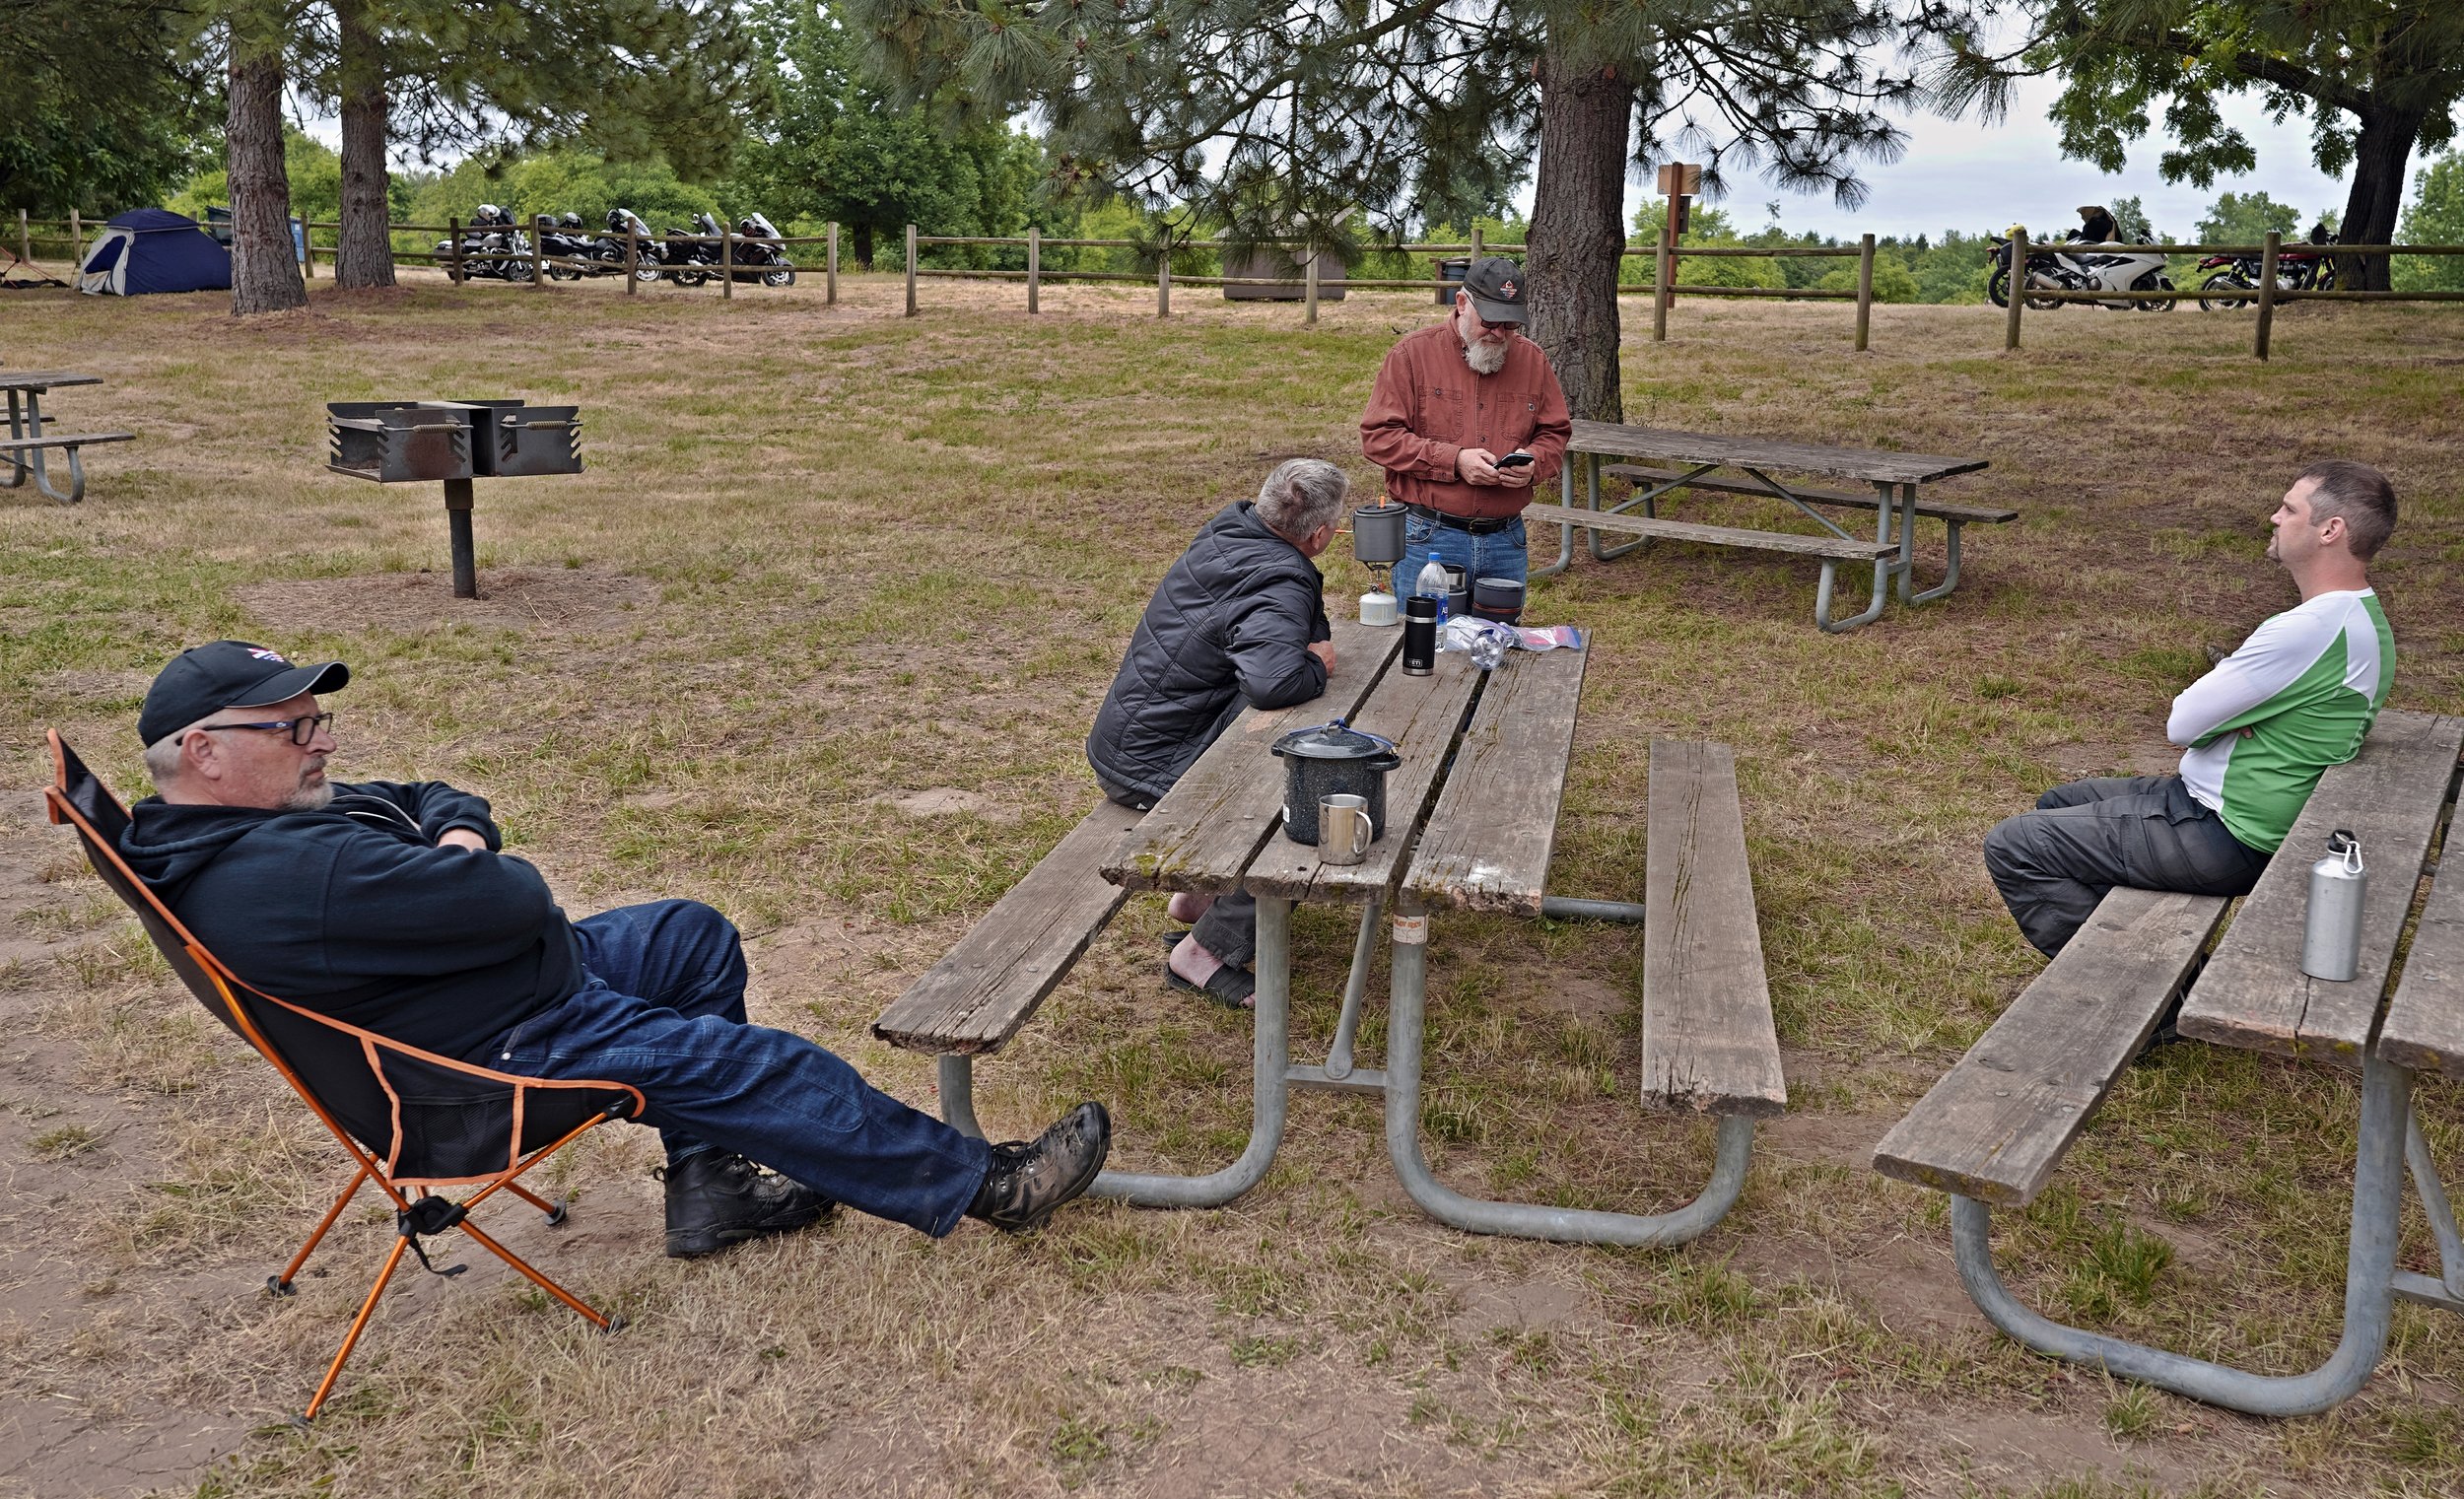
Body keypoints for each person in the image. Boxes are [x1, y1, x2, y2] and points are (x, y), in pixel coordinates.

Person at [118, 641, 1112, 1260]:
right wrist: (464, 855)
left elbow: (424, 799)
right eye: (293, 729)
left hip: (486, 995)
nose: (322, 743)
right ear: (204, 751)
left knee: (688, 937)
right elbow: (511, 894)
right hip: (487, 1063)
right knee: (750, 1064)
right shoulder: (295, 876)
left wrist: (450, 839)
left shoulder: (235, 825)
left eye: (316, 720)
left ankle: (708, 1190)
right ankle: (991, 1186)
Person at [1984, 461, 2398, 959]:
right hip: (2224, 805)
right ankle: (2145, 955)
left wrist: (2228, 718)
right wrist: (2238, 719)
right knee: (2059, 804)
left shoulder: (2308, 630)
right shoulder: (2358, 615)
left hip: (2230, 833)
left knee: (2014, 845)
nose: (2274, 517)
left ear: (2330, 530)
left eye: (2290, 509)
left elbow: (2183, 723)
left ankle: (2139, 993)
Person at [1085, 458, 1348, 1007]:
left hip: (1133, 741)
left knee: (1293, 758)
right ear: (1320, 535)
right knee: (1307, 812)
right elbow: (1274, 682)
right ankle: (1201, 953)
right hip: (1153, 765)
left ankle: (1196, 899)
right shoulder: (1279, 575)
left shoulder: (1233, 530)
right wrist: (1318, 664)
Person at [1360, 255, 1571, 597]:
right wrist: (1455, 460)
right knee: (1423, 645)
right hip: (1428, 538)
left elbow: (1554, 433)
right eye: (1490, 322)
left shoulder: (1533, 360)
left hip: (1506, 540)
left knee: (1497, 644)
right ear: (1462, 304)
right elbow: (1378, 437)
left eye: (1511, 325)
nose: (1499, 333)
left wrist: (1533, 463)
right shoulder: (1411, 355)